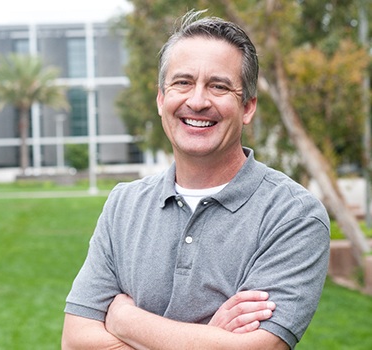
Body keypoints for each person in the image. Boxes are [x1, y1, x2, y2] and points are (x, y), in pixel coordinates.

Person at [62, 10, 330, 350]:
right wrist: (208, 339)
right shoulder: (123, 204)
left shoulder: (293, 215)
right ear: (161, 99)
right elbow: (74, 340)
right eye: (182, 82)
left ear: (247, 106)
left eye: (218, 86)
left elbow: (261, 347)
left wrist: (124, 320)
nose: (198, 101)